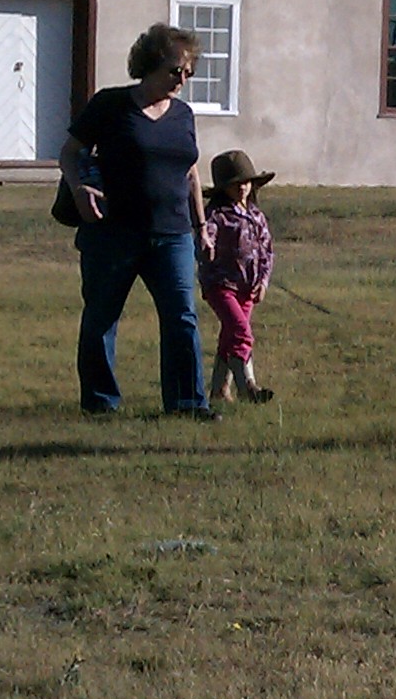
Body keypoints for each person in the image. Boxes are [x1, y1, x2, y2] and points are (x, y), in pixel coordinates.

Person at [62, 24, 213, 419]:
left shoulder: (184, 115)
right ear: (149, 65)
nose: (181, 80)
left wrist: (202, 226)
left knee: (182, 316)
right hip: (114, 234)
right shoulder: (110, 106)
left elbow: (191, 172)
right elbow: (70, 151)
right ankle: (100, 404)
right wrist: (79, 188)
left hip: (173, 233)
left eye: (188, 73)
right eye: (174, 70)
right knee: (101, 317)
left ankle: (187, 403)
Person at [199, 148, 278, 408]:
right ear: (224, 188)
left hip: (248, 288)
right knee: (241, 332)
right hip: (221, 285)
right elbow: (206, 237)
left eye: (246, 182)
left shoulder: (256, 216)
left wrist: (263, 281)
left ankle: (220, 389)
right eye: (235, 185)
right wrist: (205, 244)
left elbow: (266, 252)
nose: (242, 188)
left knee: (230, 337)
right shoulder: (217, 215)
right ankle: (247, 385)